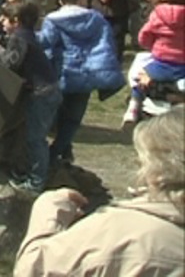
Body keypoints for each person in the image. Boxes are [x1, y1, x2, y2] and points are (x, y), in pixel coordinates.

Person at [13, 107, 184, 277]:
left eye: (142, 161)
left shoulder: (117, 232)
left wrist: (47, 215)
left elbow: (34, 269)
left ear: (159, 168)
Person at [39, 0, 125, 167]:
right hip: (85, 75)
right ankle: (60, 149)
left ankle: (47, 154)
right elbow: (106, 46)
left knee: (51, 114)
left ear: (60, 0)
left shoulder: (52, 20)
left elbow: (46, 45)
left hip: (60, 74)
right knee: (73, 118)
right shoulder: (97, 20)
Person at [0, 1, 61, 194]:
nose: (0, 21)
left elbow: (11, 63)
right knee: (31, 136)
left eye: (4, 18)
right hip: (47, 90)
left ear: (16, 22)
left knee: (35, 139)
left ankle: (36, 182)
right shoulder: (27, 35)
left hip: (41, 93)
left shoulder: (19, 38)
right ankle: (30, 172)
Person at [124, 0, 185, 125]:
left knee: (139, 79)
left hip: (159, 63)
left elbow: (143, 37)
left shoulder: (157, 14)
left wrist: (154, 46)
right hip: (182, 67)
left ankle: (133, 107)